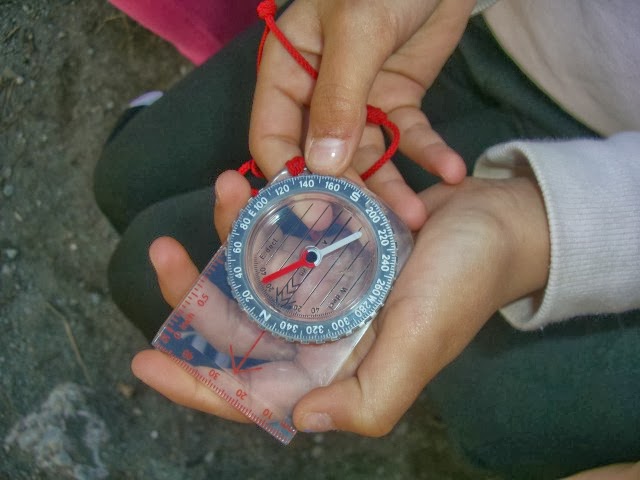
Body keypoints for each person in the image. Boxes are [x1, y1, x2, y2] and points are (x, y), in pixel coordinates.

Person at [94, 0, 640, 478]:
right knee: (128, 176)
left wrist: (537, 226)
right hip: (454, 27)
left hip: (610, 198)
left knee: (142, 266)